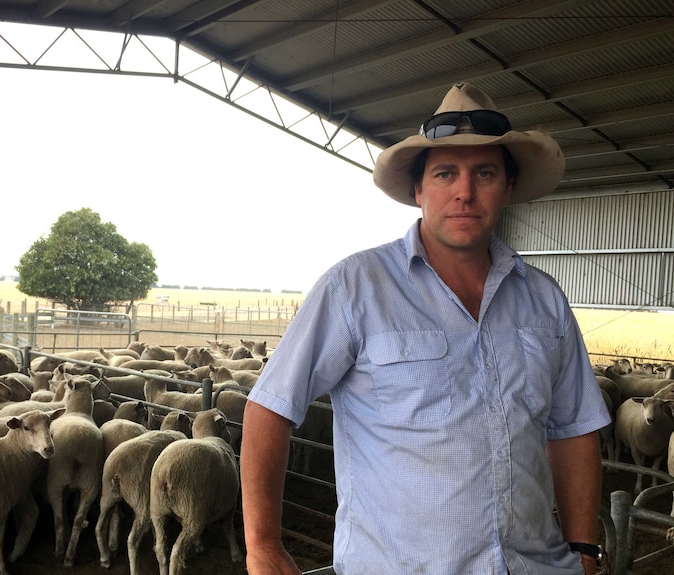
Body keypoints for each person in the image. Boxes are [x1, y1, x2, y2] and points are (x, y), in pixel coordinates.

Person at [240, 82, 611, 575]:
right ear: (418, 190)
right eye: (445, 173)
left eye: (484, 173)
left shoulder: (544, 299)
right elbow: (270, 407)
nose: (464, 191)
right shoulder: (356, 287)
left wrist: (583, 551)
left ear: (508, 187)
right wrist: (263, 546)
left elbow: (573, 429)